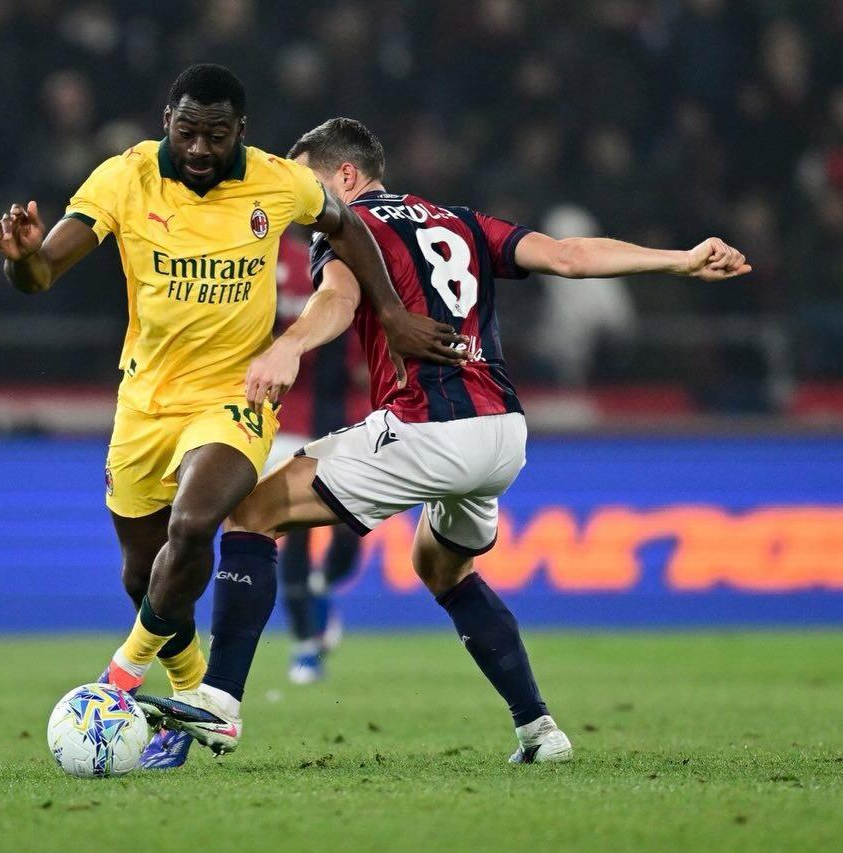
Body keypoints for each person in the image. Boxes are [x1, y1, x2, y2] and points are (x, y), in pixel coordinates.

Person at [138, 117, 751, 764]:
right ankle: (539, 731)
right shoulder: (460, 220)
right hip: (502, 432)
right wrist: (679, 259)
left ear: (345, 175)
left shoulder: (348, 227)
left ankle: (219, 704)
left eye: (307, 181)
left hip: (427, 426)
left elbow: (338, 299)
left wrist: (289, 345)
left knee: (250, 511)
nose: (299, 199)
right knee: (441, 565)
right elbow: (568, 256)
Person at [0, 70, 461, 770]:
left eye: (216, 134)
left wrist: (389, 311)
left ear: (241, 130)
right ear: (167, 123)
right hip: (145, 403)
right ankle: (189, 695)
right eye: (187, 132)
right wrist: (23, 260)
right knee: (143, 577)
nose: (200, 149)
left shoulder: (277, 181)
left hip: (235, 396)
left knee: (193, 523)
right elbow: (43, 272)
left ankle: (118, 680)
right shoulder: (123, 178)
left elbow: (347, 223)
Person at [271, 233, 362, 684]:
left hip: (335, 417)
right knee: (291, 532)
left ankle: (320, 587)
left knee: (351, 531)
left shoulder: (318, 265)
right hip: (273, 421)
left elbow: (355, 354)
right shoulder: (230, 262)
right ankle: (305, 644)